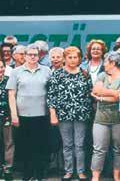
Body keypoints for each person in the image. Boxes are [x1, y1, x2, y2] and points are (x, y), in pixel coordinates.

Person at [47, 47, 94, 181]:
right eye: (70, 57)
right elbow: (51, 96)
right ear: (65, 59)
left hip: (81, 115)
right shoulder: (57, 74)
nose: (73, 60)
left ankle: (80, 171)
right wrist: (53, 114)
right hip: (63, 114)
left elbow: (90, 94)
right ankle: (68, 171)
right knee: (67, 144)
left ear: (79, 59)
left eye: (75, 57)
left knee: (79, 144)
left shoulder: (85, 74)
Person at [7, 44, 52, 180]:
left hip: (42, 115)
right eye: (30, 54)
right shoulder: (16, 72)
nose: (32, 57)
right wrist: (14, 115)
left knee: (40, 146)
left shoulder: (46, 71)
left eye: (35, 55)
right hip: (23, 116)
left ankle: (39, 174)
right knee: (24, 146)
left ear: (39, 56)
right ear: (24, 56)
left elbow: (52, 93)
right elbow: (11, 95)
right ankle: (27, 174)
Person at [90, 51, 120, 181]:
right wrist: (114, 94)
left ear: (113, 63)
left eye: (106, 62)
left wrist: (101, 97)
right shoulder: (102, 75)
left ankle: (117, 176)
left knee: (118, 149)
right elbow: (96, 90)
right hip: (100, 119)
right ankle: (95, 177)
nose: (104, 64)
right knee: (99, 149)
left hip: (119, 119)